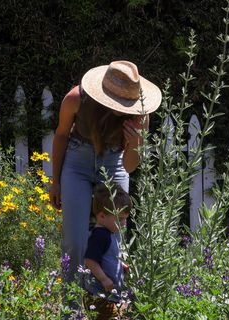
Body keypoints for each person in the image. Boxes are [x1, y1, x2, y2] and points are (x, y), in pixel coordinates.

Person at [48, 60, 162, 286]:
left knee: (114, 236)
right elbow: (61, 135)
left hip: (114, 163)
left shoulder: (140, 115)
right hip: (77, 163)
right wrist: (56, 181)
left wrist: (137, 142)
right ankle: (70, 309)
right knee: (75, 240)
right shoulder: (76, 98)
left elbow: (129, 167)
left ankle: (112, 303)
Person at [82, 182, 132, 320]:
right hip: (99, 294)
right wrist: (103, 278)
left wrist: (120, 265)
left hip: (107, 294)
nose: (123, 223)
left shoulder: (109, 233)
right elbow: (90, 260)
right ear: (102, 216)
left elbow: (105, 257)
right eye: (120, 218)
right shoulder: (100, 236)